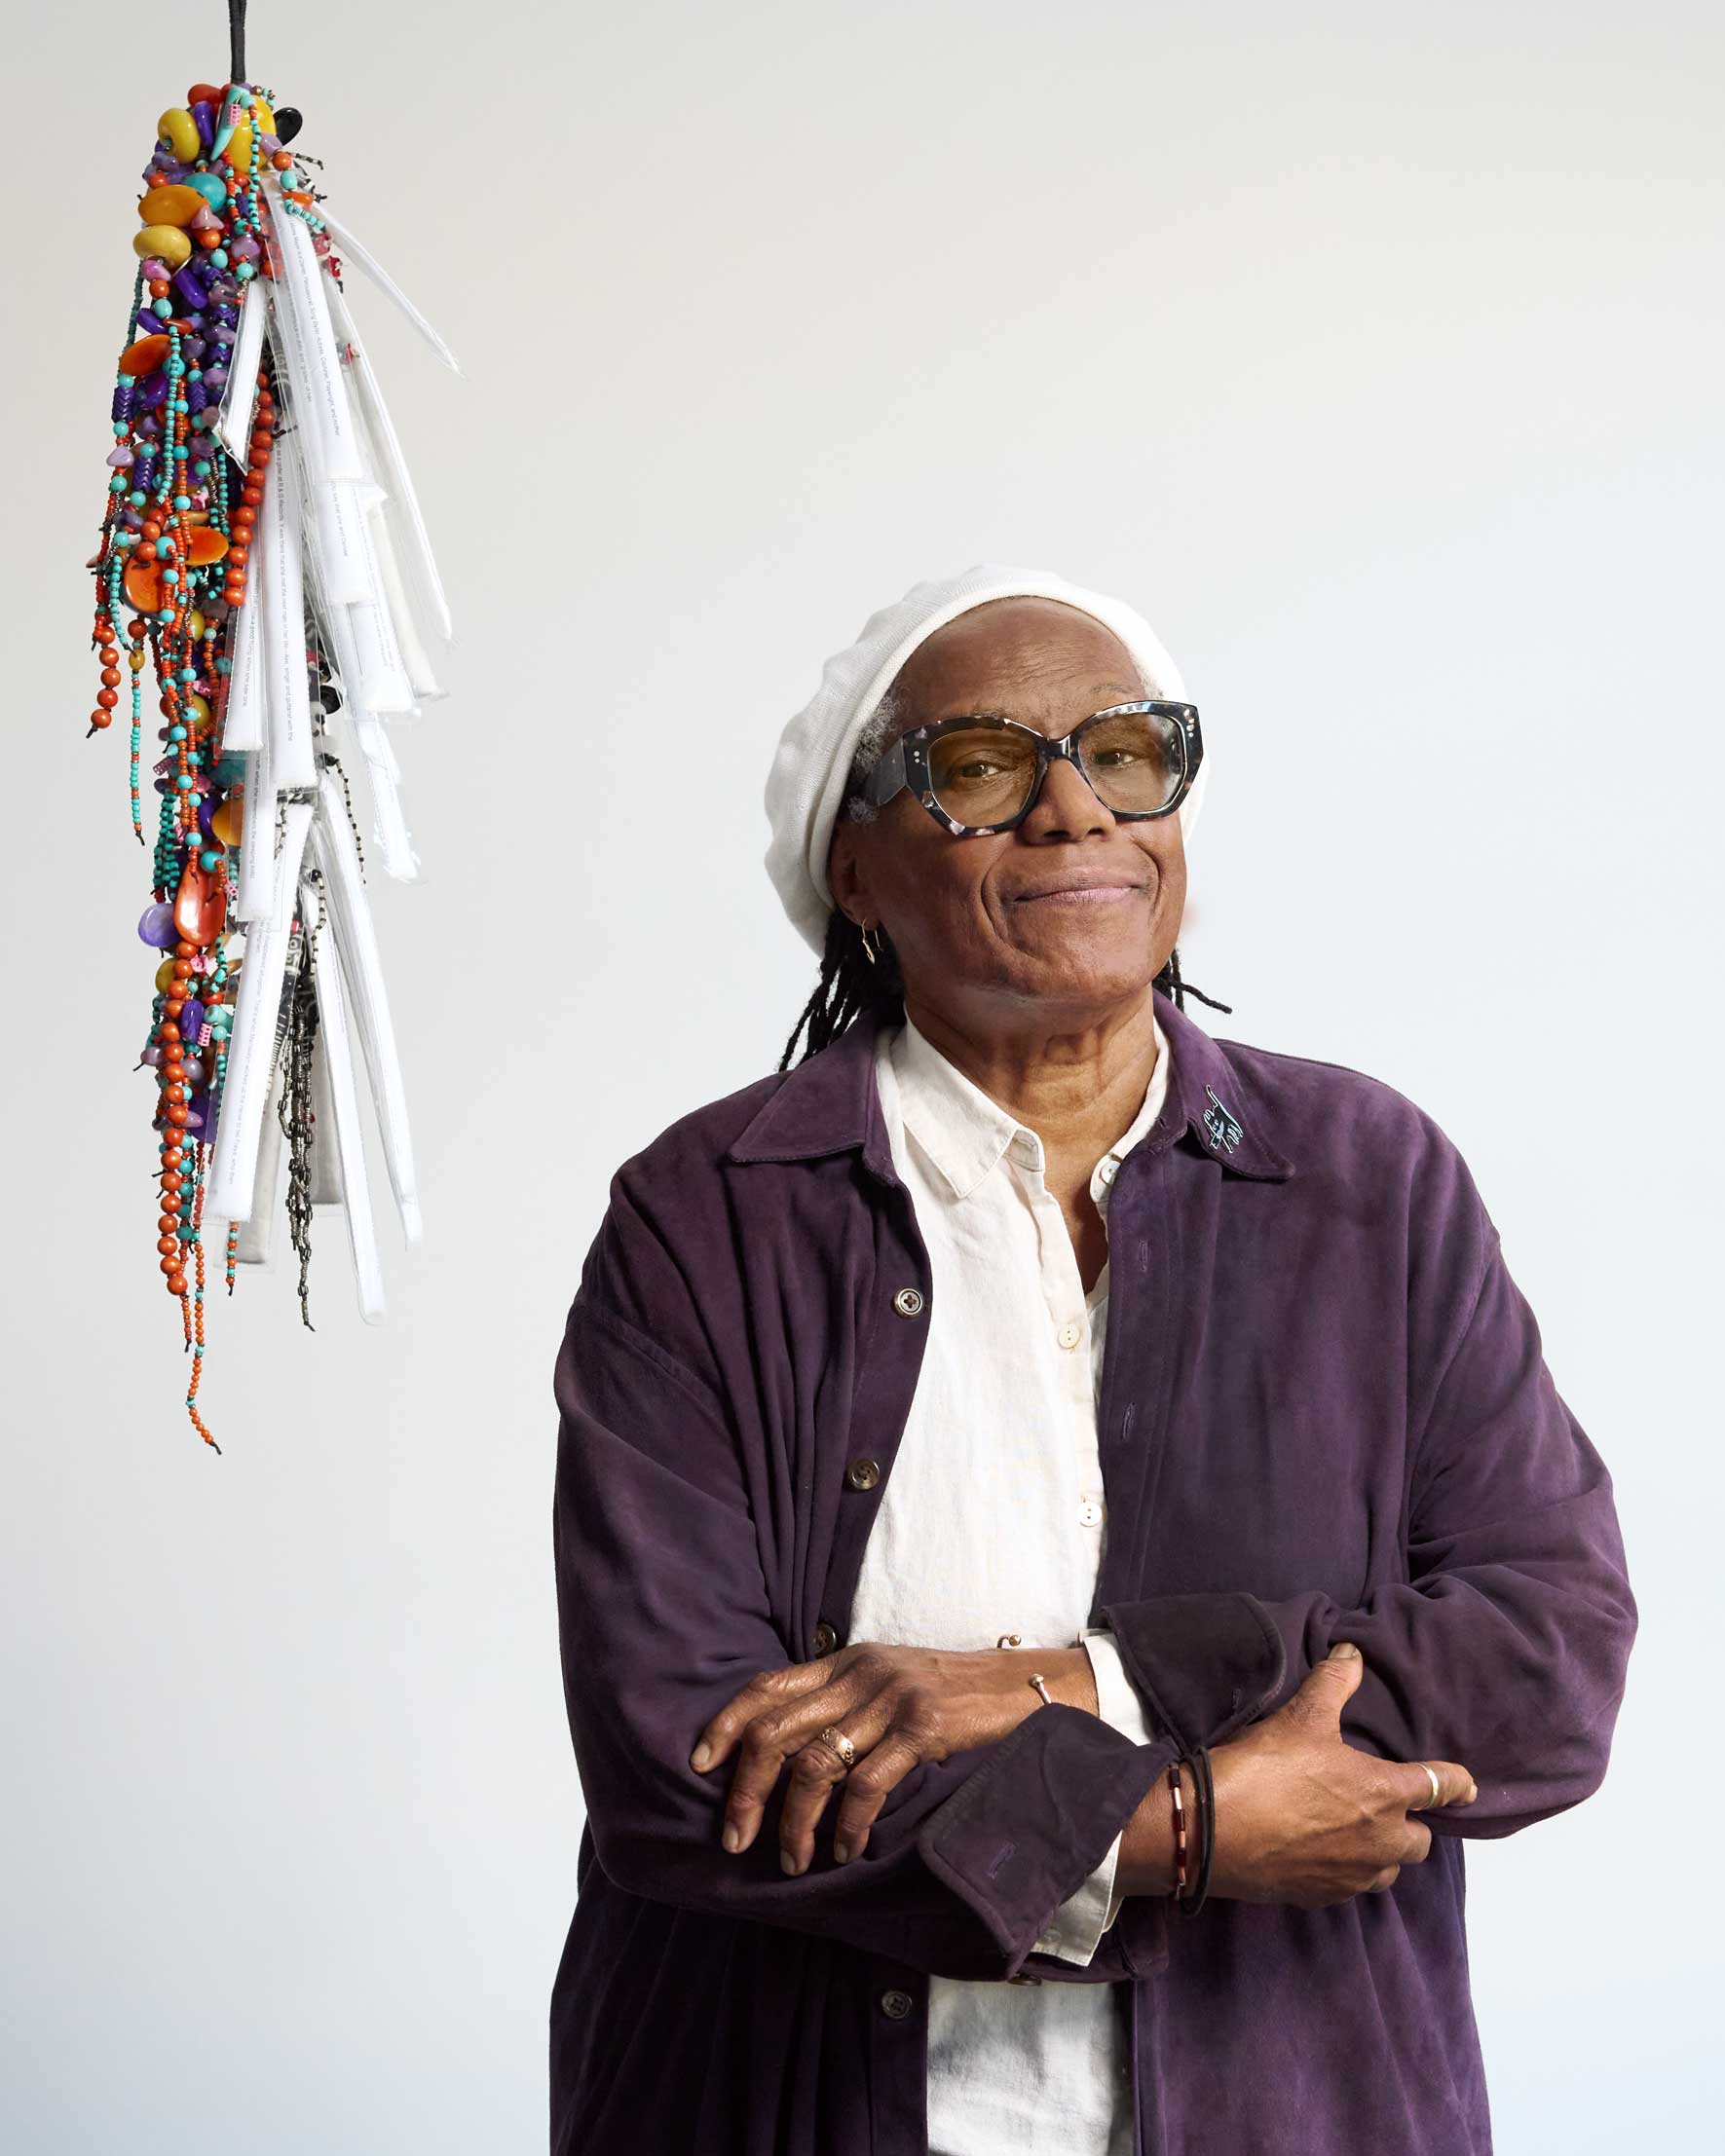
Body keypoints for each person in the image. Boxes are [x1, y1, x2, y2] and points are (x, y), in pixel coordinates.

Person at [549, 563, 1637, 2156]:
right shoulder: (708, 1219)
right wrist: (1176, 1824)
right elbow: (679, 1758)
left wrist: (1065, 1686)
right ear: (856, 864)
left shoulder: (1369, 1183)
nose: (1074, 809)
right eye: (983, 763)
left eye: (1126, 751)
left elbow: (1549, 1657)